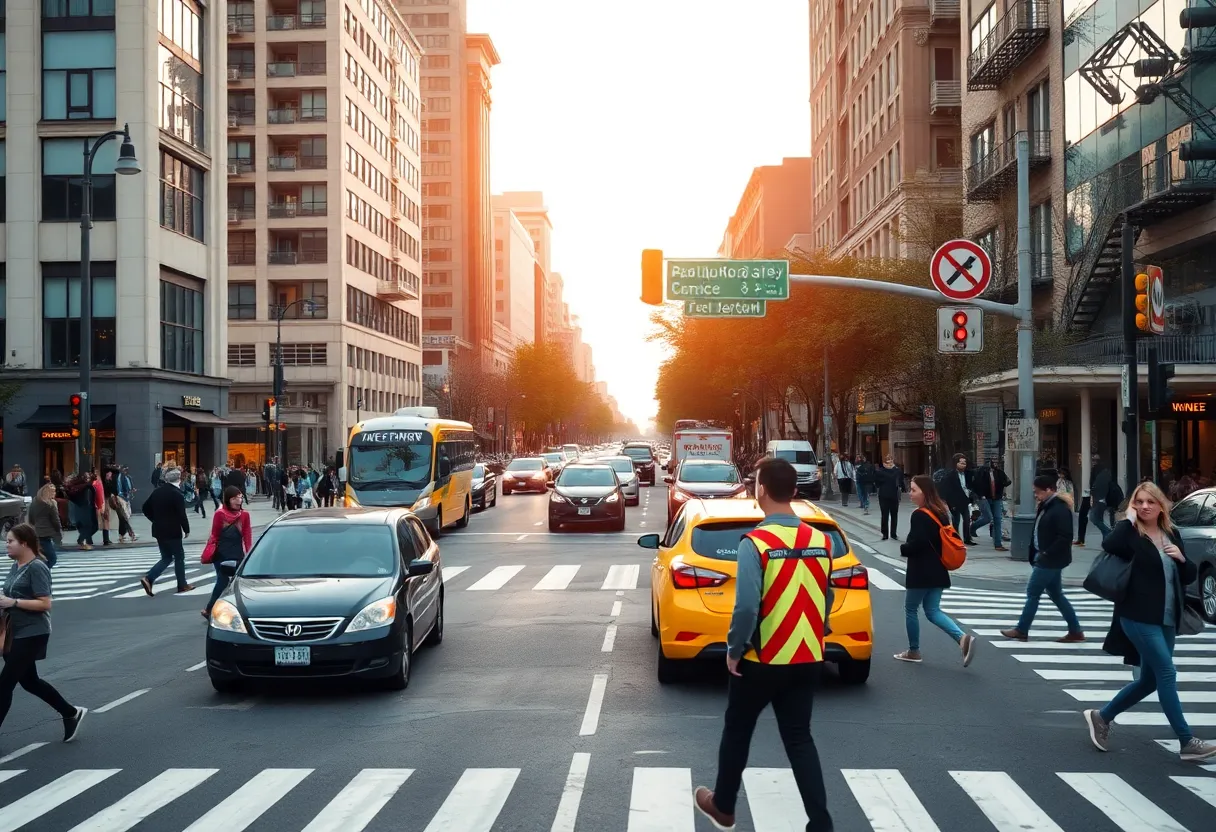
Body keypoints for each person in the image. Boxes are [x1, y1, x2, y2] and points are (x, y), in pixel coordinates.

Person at [693, 457, 834, 832]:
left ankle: (724, 806)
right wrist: (818, 632)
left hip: (762, 657)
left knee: (738, 730)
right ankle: (821, 824)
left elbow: (746, 607)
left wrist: (734, 649)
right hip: (807, 655)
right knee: (800, 739)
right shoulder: (821, 541)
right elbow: (826, 597)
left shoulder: (756, 542)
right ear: (794, 491)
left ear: (762, 490)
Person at [1083, 481, 1216, 762]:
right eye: (1139, 502)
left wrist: (1182, 559)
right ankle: (1187, 741)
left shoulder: (1171, 533)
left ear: (1161, 505)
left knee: (1149, 681)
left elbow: (1188, 576)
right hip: (1137, 615)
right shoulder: (1131, 534)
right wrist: (1128, 519)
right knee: (1166, 673)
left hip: (1167, 618)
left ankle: (1101, 716)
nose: (1144, 506)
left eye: (1150, 502)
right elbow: (1109, 544)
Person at [0, 523, 87, 742]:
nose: (6, 544)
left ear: (24, 543)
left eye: (10, 541)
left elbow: (45, 603)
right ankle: (71, 712)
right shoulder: (17, 565)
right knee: (30, 682)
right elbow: (10, 594)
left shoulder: (37, 567)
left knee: (4, 684)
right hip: (14, 631)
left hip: (33, 632)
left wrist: (14, 602)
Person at [894, 475, 975, 665]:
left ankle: (914, 651)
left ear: (925, 492)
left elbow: (918, 543)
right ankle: (962, 638)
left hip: (921, 571)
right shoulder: (940, 512)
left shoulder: (919, 515)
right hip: (938, 569)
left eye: (914, 490)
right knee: (932, 610)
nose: (910, 493)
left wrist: (904, 548)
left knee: (911, 609)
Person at [1001, 475, 1085, 643]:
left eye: (1038, 492)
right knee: (1056, 594)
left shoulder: (1059, 509)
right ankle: (1075, 631)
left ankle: (1021, 629)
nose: (1035, 495)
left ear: (1049, 490)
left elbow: (1065, 536)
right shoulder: (1047, 505)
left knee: (1033, 593)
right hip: (1048, 557)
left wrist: (1046, 553)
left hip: (1050, 559)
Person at [139, 468, 194, 596]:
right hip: (172, 530)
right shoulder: (177, 494)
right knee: (179, 557)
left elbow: (145, 508)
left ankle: (149, 578)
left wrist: (154, 519)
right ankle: (182, 584)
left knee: (167, 557)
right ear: (179, 479)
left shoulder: (157, 491)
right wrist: (186, 529)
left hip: (158, 529)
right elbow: (182, 514)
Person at [202, 486, 253, 620]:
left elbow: (247, 535)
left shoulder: (244, 515)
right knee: (222, 581)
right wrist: (211, 550)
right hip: (221, 553)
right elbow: (214, 534)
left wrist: (249, 554)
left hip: (237, 554)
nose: (238, 501)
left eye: (240, 497)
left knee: (240, 582)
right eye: (234, 498)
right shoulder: (220, 514)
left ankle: (239, 610)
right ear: (228, 500)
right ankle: (209, 609)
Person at [971, 457, 1010, 551]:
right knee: (988, 517)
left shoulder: (999, 472)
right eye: (993, 462)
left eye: (997, 462)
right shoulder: (982, 472)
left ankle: (998, 544)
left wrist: (1003, 485)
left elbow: (1007, 481)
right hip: (984, 498)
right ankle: (973, 527)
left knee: (997, 519)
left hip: (996, 498)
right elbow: (977, 484)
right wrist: (981, 495)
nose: (995, 464)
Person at [939, 453, 978, 545]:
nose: (963, 465)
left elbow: (971, 485)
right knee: (956, 521)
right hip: (954, 501)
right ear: (956, 463)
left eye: (964, 463)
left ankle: (967, 539)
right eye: (961, 463)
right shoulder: (950, 475)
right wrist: (950, 503)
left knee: (967, 520)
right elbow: (946, 490)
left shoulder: (968, 474)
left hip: (965, 500)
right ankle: (956, 539)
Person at [28, 484, 63, 568]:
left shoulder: (35, 501)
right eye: (52, 491)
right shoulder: (51, 504)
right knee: (52, 559)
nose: (54, 493)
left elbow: (31, 517)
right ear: (48, 492)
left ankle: (43, 572)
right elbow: (55, 520)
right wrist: (59, 532)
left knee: (43, 557)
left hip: (36, 532)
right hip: (46, 534)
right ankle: (42, 571)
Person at [872, 455, 905, 541]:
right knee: (885, 515)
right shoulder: (885, 471)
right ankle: (885, 534)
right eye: (888, 460)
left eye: (891, 460)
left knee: (893, 515)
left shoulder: (895, 471)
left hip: (892, 495)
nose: (889, 462)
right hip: (885, 495)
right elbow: (877, 482)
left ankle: (892, 534)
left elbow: (900, 480)